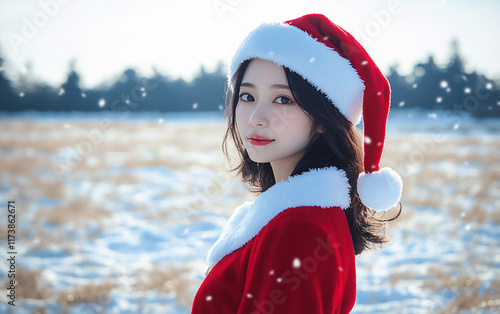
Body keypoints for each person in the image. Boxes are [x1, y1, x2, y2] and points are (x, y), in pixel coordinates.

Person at [191, 13, 403, 313]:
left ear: (322, 119)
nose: (255, 118)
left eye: (283, 100)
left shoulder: (299, 229)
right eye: (247, 95)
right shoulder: (301, 216)